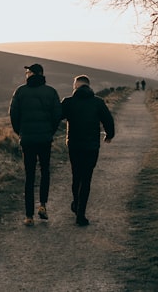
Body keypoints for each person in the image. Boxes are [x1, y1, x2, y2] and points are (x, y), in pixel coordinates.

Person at [9, 63, 61, 226]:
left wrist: (21, 132)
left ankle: (29, 216)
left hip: (28, 139)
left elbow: (13, 114)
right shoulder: (51, 92)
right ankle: (43, 206)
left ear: (34, 73)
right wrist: (50, 132)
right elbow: (57, 115)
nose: (27, 74)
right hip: (45, 138)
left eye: (28, 72)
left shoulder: (20, 91)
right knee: (45, 171)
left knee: (29, 176)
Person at [60, 74, 115, 226]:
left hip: (74, 145)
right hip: (91, 146)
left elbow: (56, 116)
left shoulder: (68, 102)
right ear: (89, 86)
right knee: (86, 179)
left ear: (76, 87)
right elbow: (108, 120)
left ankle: (76, 206)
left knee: (76, 176)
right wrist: (109, 135)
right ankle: (81, 214)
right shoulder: (98, 102)